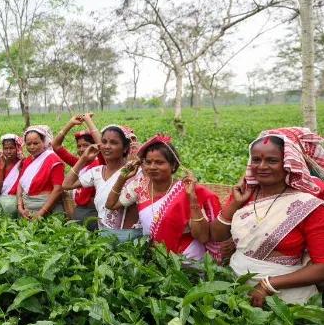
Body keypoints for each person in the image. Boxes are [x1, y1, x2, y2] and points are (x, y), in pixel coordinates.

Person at [210, 128, 324, 305]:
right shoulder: (244, 195)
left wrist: (268, 284)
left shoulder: (308, 205)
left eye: (272, 161)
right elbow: (217, 236)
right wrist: (234, 204)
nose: (262, 167)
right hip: (236, 287)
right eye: (256, 160)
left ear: (287, 164)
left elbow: (321, 267)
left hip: (285, 298)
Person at [105, 135, 221, 261]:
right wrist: (123, 178)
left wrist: (192, 199)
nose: (152, 167)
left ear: (173, 166)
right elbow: (111, 205)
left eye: (159, 162)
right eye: (148, 162)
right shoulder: (139, 186)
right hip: (157, 257)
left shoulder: (185, 190)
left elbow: (203, 237)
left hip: (187, 258)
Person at [63, 125, 142, 242]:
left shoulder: (133, 171)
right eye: (104, 142)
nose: (107, 147)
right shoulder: (97, 172)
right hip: (103, 234)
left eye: (114, 143)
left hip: (129, 236)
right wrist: (83, 159)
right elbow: (67, 185)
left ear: (125, 148)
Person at [53, 114, 102, 229]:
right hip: (79, 211)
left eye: (86, 145)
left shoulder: (101, 163)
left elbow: (103, 146)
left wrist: (89, 122)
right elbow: (55, 145)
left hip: (93, 212)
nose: (82, 149)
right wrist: (71, 123)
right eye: (79, 146)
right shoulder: (79, 163)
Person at [17, 125, 65, 219]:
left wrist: (41, 212)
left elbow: (58, 190)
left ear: (44, 142)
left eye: (36, 143)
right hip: (27, 208)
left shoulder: (54, 160)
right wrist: (19, 206)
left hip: (48, 208)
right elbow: (21, 183)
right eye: (28, 144)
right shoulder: (27, 160)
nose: (32, 147)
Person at [0, 134, 24, 216]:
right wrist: (2, 168)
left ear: (17, 148)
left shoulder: (22, 163)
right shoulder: (0, 164)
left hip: (18, 202)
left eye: (11, 148)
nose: (8, 151)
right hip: (3, 202)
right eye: (5, 148)